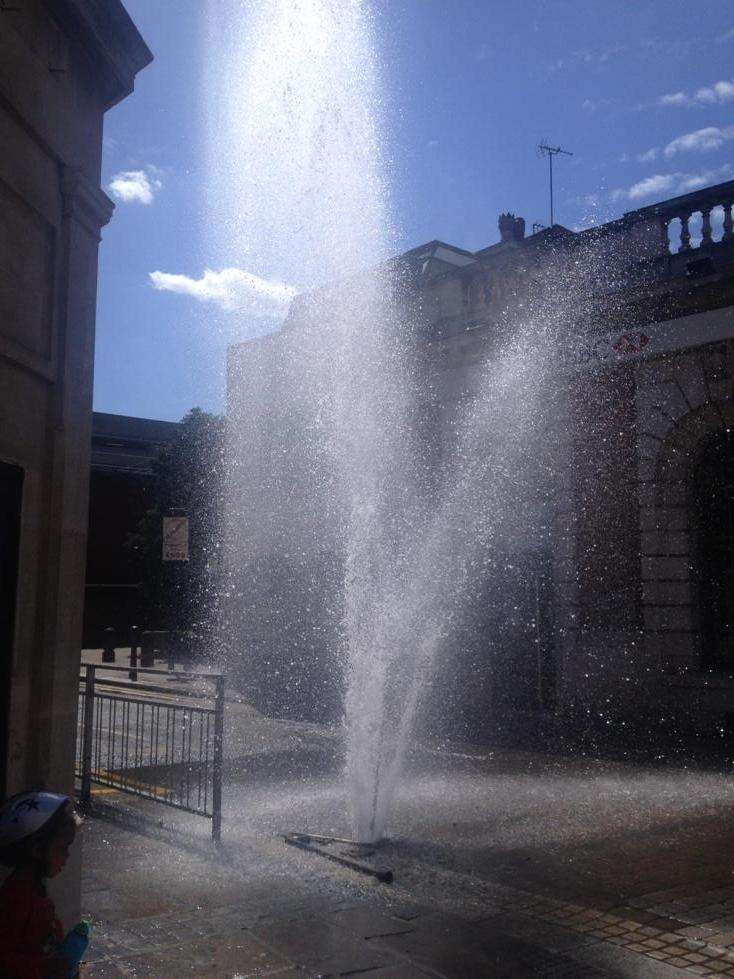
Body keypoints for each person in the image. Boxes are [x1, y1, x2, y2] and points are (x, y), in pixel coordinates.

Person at [0, 791, 83, 978]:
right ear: (37, 849)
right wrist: (49, 967)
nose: (67, 856)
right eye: (62, 848)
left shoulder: (34, 891)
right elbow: (5, 960)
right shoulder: (17, 899)